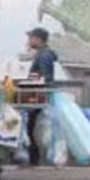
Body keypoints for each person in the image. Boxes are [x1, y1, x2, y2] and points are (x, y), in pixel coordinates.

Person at [24, 27, 58, 166]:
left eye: (31, 38)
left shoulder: (44, 56)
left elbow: (45, 78)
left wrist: (30, 84)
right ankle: (34, 158)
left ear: (38, 39)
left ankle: (34, 159)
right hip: (39, 96)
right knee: (32, 127)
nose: (29, 41)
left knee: (32, 128)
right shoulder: (43, 54)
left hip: (39, 96)